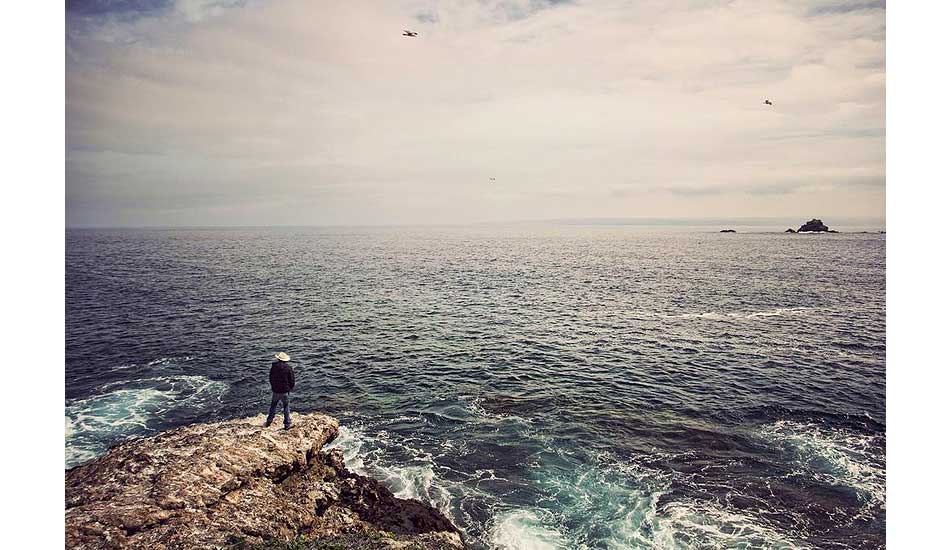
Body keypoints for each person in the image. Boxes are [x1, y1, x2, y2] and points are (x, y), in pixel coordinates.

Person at [265, 351, 295, 429]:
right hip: (285, 391)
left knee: (273, 405)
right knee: (286, 406)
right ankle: (287, 424)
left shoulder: (273, 367)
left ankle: (269, 420)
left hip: (275, 390)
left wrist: (273, 386)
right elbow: (292, 380)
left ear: (278, 359)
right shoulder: (288, 368)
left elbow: (270, 378)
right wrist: (290, 388)